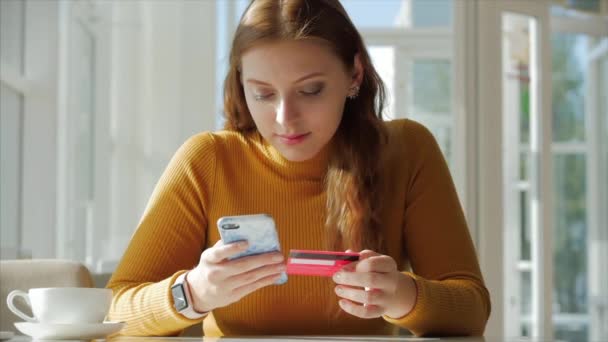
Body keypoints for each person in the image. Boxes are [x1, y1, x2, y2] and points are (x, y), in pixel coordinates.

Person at [107, 0, 490, 337]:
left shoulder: (407, 150)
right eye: (263, 93)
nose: (285, 118)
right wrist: (194, 292)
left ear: (354, 74)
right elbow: (115, 312)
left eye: (311, 91)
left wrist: (403, 295)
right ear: (242, 85)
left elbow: (472, 308)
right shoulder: (207, 159)